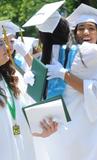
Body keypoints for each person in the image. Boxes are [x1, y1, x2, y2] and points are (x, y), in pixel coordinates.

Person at [44, 3, 97, 160]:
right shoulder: (68, 53)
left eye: (91, 28)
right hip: (75, 124)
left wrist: (64, 75)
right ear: (74, 32)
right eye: (81, 28)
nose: (86, 32)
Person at [0, 25, 58, 160]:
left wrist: (42, 130)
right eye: (1, 43)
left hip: (22, 149)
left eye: (7, 42)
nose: (7, 47)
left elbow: (25, 117)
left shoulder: (13, 78)